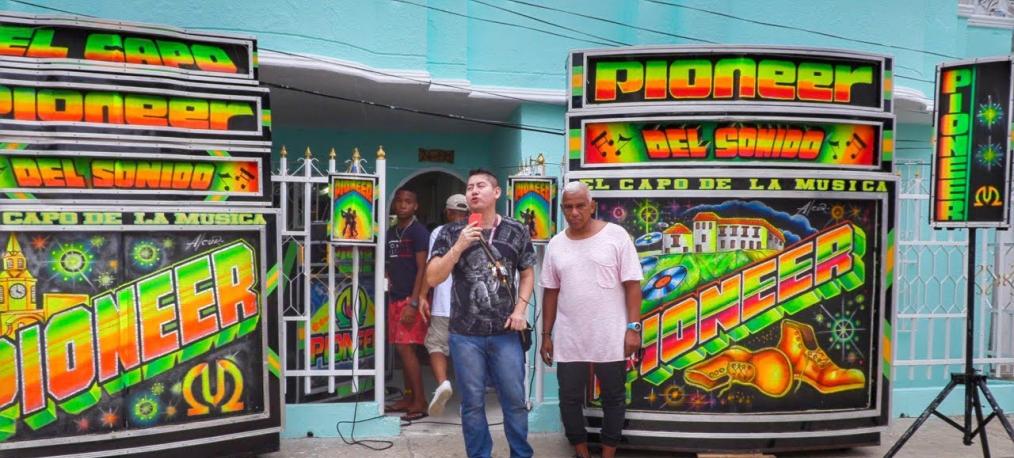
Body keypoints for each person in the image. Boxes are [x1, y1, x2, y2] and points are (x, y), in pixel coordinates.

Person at [427, 169, 536, 458]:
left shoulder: (516, 230)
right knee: (472, 404)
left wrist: (520, 310)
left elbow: (527, 272)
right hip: (464, 334)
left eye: (481, 186)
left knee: (514, 400)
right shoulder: (450, 232)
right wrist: (459, 246)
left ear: (496, 192)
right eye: (470, 187)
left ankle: (521, 454)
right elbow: (433, 277)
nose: (474, 191)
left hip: (506, 333)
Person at [539, 181, 643, 458]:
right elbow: (551, 291)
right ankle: (582, 452)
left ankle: (608, 454)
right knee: (568, 398)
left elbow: (633, 285)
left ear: (592, 205)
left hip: (610, 336)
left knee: (613, 398)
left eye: (580, 205)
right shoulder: (556, 244)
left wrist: (633, 328)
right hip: (570, 337)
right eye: (568, 207)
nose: (574, 212)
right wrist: (546, 335)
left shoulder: (616, 236)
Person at [419, 193, 469, 416]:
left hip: (443, 304)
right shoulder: (476, 231)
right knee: (468, 351)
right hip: (470, 306)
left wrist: (422, 296)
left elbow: (431, 267)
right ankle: (468, 399)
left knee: (436, 345)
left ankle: (443, 383)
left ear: (447, 213)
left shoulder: (439, 232)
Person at [385, 188, 431, 421]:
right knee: (401, 351)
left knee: (407, 349)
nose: (402, 205)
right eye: (399, 201)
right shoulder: (391, 231)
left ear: (415, 206)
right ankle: (409, 397)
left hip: (409, 299)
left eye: (408, 201)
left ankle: (420, 402)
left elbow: (423, 269)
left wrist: (414, 302)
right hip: (395, 297)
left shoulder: (419, 232)